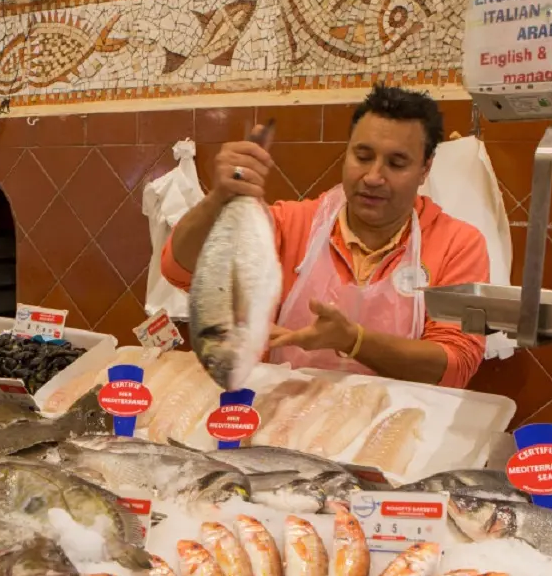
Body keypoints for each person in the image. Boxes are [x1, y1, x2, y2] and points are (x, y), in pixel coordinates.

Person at [160, 84, 490, 388]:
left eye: (396, 163)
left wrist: (354, 341)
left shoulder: (458, 244)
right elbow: (180, 268)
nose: (373, 177)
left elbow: (455, 365)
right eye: (362, 157)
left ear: (425, 169)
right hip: (281, 421)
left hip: (395, 428)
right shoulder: (290, 223)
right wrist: (220, 197)